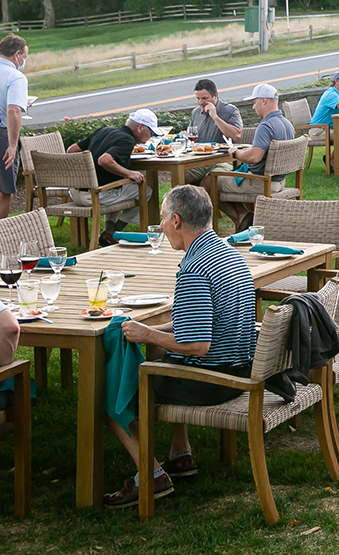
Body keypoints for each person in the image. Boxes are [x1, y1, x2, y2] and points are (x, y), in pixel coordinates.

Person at [103, 184, 256, 508]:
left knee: (115, 396)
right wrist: (150, 330)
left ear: (176, 221)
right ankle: (180, 453)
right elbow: (198, 321)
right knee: (161, 351)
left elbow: (197, 344)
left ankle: (151, 474)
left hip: (213, 383)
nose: (159, 226)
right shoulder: (226, 253)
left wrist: (146, 336)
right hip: (240, 368)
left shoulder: (194, 270)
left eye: (161, 219)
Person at [68, 108, 156, 243]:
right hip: (95, 195)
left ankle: (108, 233)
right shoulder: (127, 140)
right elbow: (104, 160)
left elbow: (71, 150)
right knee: (145, 191)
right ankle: (113, 231)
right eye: (150, 132)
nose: (150, 136)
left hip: (75, 192)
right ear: (140, 127)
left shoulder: (104, 131)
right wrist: (129, 173)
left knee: (118, 189)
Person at [214, 84, 294, 231]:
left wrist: (235, 153)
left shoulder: (265, 126)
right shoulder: (287, 124)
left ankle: (242, 218)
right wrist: (248, 150)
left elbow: (255, 157)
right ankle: (244, 218)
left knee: (209, 182)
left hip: (261, 181)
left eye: (254, 102)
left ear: (264, 101)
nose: (253, 107)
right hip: (279, 180)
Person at [0, 34, 31, 219]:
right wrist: (12, 144)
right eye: (24, 57)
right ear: (16, 55)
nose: (23, 61)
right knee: (3, 190)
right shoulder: (15, 77)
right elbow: (13, 111)